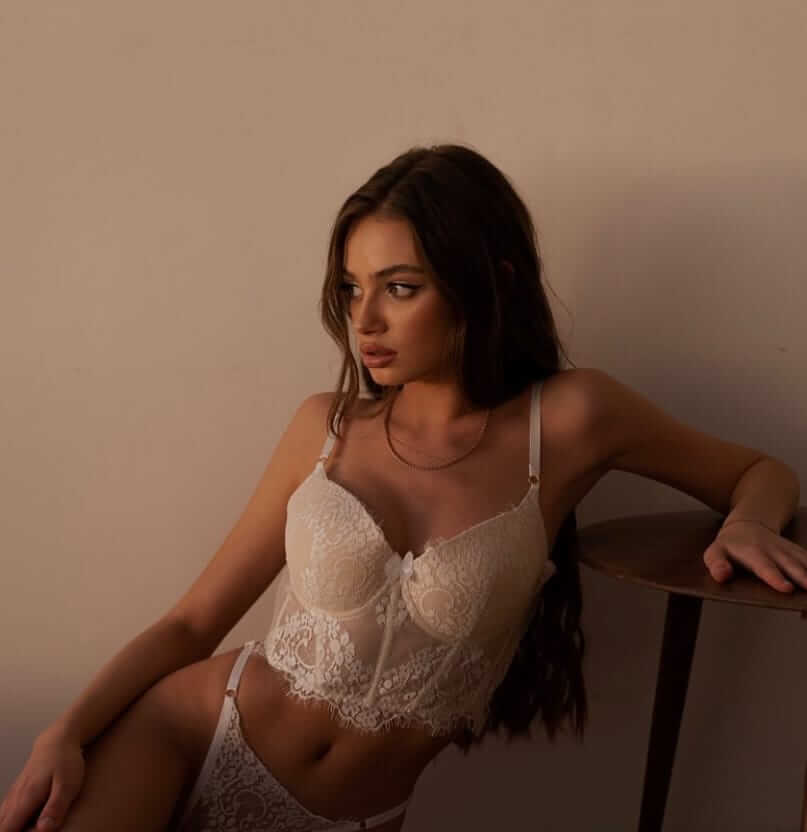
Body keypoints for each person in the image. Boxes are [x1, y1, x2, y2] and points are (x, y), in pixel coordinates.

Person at [1, 144, 803, 832]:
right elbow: (191, 622)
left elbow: (757, 473)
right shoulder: (325, 428)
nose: (365, 321)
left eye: (399, 287)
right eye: (351, 288)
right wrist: (64, 733)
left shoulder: (570, 420)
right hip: (186, 737)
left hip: (356, 816)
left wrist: (747, 525)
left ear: (487, 283)